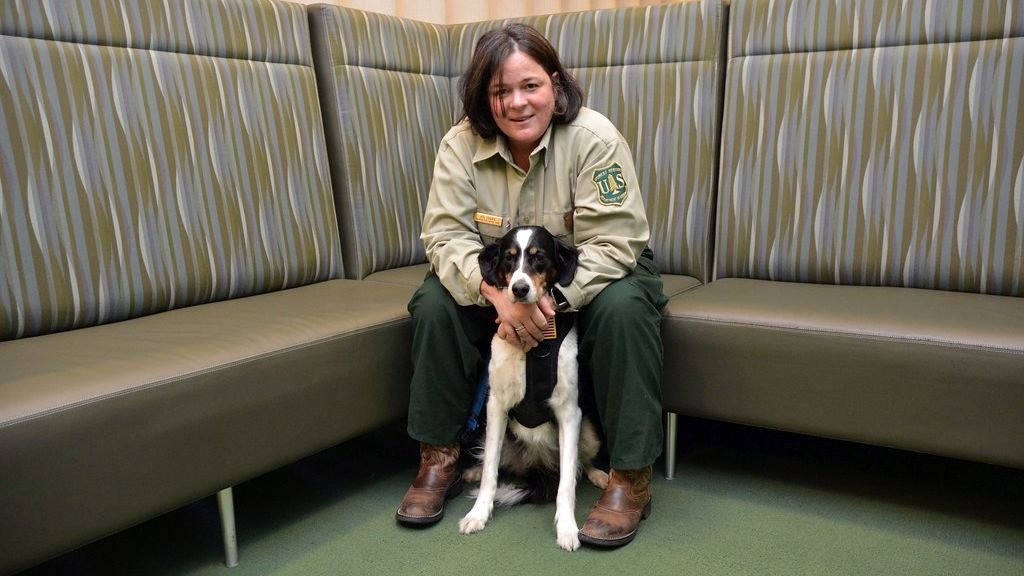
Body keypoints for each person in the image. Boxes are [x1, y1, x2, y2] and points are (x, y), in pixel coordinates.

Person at [395, 22, 668, 548]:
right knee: (432, 300)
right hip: (499, 278)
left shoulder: (594, 139)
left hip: (592, 272)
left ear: (555, 84)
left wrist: (547, 300)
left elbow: (616, 243)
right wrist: (498, 296)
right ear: (485, 97)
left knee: (626, 309)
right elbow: (446, 238)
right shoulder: (460, 145)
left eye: (531, 86)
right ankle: (439, 457)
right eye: (501, 91)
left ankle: (630, 477)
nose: (517, 103)